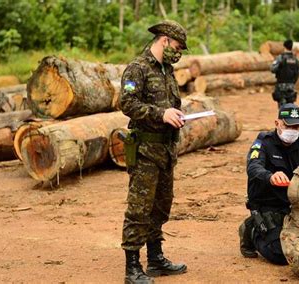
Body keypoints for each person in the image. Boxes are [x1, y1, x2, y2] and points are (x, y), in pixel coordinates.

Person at [119, 20, 188, 284]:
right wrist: (161, 114)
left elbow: (169, 105)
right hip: (145, 149)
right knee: (139, 208)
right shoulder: (138, 68)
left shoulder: (167, 71)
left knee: (160, 206)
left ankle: (156, 258)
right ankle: (132, 268)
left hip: (165, 149)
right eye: (178, 46)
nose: (179, 52)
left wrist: (176, 115)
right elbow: (127, 102)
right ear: (164, 40)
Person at [238, 103, 299, 265]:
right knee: (281, 254)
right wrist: (270, 176)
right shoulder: (264, 142)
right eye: (288, 125)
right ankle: (251, 229)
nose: (292, 130)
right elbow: (253, 167)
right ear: (277, 123)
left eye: (296, 126)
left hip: (292, 204)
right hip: (267, 205)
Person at [270, 39, 299, 108]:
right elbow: (297, 74)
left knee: (282, 109)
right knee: (290, 108)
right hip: (291, 86)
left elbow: (272, 69)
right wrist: (293, 83)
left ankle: (283, 118)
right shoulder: (296, 59)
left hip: (281, 87)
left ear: (284, 47)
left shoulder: (280, 58)